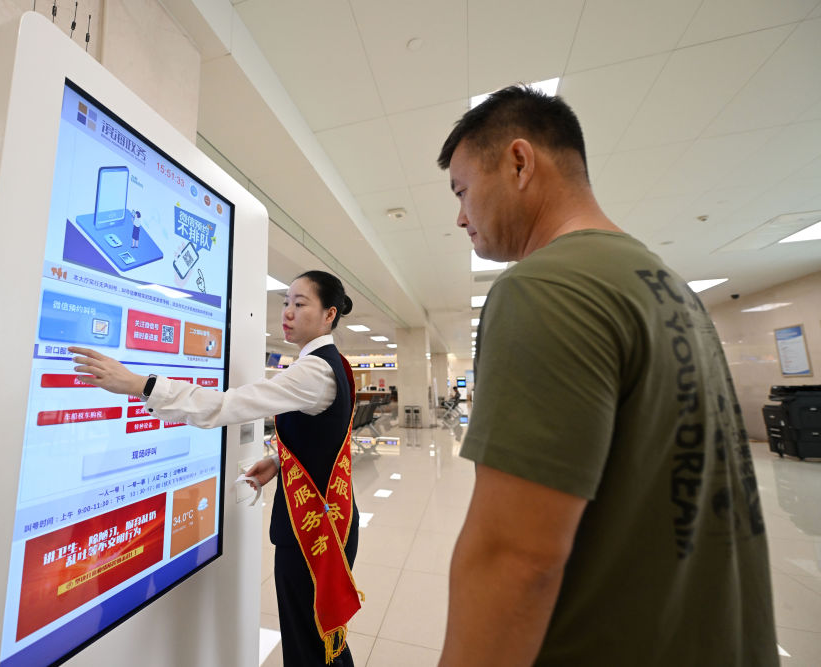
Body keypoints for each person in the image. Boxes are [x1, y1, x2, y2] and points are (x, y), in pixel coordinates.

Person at [435, 85, 777, 666]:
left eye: (463, 191)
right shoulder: (667, 286)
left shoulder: (544, 288)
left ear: (519, 163)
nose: (461, 217)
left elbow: (515, 558)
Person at [69, 270, 362, 666]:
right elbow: (326, 433)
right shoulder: (334, 363)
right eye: (285, 302)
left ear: (329, 314)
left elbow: (227, 405)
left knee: (311, 649)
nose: (287, 312)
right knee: (318, 641)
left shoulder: (314, 370)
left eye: (300, 303)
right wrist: (279, 462)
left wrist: (141, 384)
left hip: (312, 532)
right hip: (329, 519)